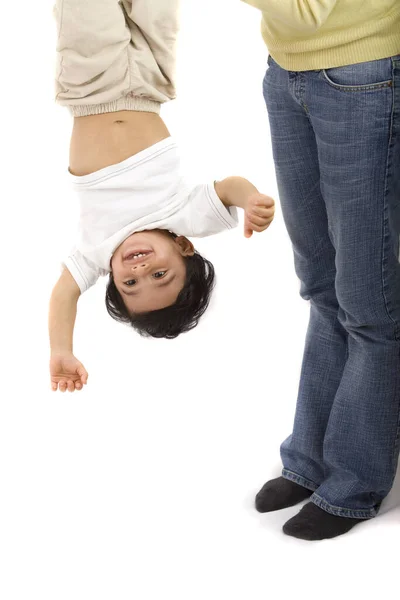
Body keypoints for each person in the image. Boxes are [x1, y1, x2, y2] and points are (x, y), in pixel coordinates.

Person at [48, 0, 275, 393]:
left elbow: (65, 293)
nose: (138, 271)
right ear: (184, 248)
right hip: (150, 83)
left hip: (89, 81)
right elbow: (230, 187)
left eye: (130, 285)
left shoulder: (95, 251)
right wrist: (251, 199)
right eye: (159, 275)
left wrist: (60, 349)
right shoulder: (184, 218)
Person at [242, 0, 400, 540]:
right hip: (287, 72)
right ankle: (311, 458)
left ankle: (357, 480)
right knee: (321, 285)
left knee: (368, 300)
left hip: (363, 76)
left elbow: (309, 10)